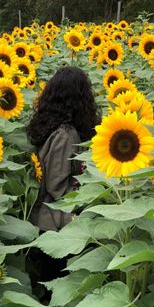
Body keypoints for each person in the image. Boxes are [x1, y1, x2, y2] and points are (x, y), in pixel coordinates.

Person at [28, 65, 100, 233]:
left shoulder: (51, 124)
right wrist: (92, 196)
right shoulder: (65, 135)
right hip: (54, 221)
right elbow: (57, 187)